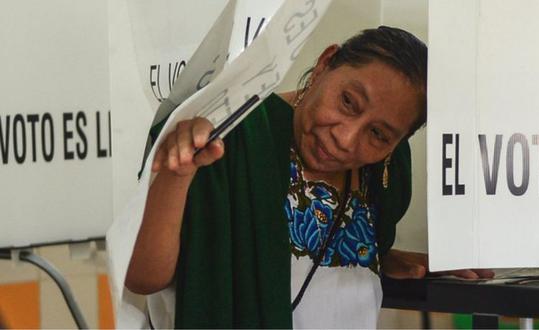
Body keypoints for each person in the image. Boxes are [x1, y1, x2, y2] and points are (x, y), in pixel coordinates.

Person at [125, 26, 494, 328]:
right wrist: (178, 172)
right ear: (324, 63)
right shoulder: (231, 133)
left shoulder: (384, 175)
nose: (345, 138)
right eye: (348, 102)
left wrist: (386, 257)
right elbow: (143, 277)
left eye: (378, 135)